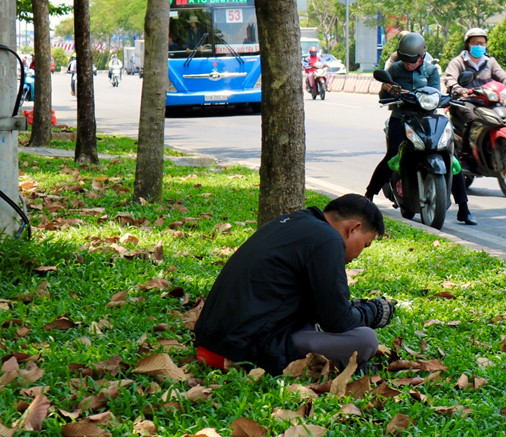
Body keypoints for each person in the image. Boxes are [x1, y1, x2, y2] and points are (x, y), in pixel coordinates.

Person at [193, 194, 393, 375]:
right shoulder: (329, 239)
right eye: (365, 244)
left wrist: (351, 309)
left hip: (212, 341)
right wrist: (373, 312)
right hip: (244, 351)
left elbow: (318, 307)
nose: (359, 254)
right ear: (354, 228)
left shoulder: (296, 222)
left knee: (314, 326)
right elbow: (339, 322)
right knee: (366, 340)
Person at [364, 32, 478, 225]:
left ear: (422, 56)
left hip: (427, 119)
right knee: (393, 154)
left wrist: (447, 97)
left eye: (413, 60)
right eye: (405, 60)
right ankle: (369, 195)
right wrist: (388, 90)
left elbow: (435, 94)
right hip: (401, 117)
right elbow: (383, 96)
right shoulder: (395, 69)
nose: (408, 64)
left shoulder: (431, 70)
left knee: (451, 157)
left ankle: (464, 208)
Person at [443, 27, 506, 150]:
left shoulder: (490, 62)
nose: (479, 46)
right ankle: (466, 151)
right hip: (466, 101)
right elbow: (450, 79)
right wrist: (459, 89)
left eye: (482, 43)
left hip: (488, 101)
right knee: (472, 118)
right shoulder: (458, 62)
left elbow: (502, 76)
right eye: (475, 43)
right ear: (467, 44)